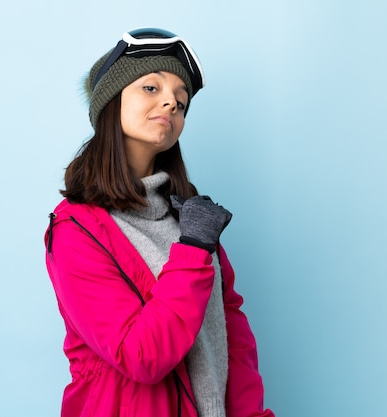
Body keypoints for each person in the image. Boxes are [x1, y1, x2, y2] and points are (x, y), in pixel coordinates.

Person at [44, 27, 274, 417]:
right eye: (151, 88)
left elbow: (231, 339)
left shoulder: (190, 219)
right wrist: (194, 250)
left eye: (180, 102)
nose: (170, 103)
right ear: (111, 102)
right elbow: (141, 357)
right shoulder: (76, 230)